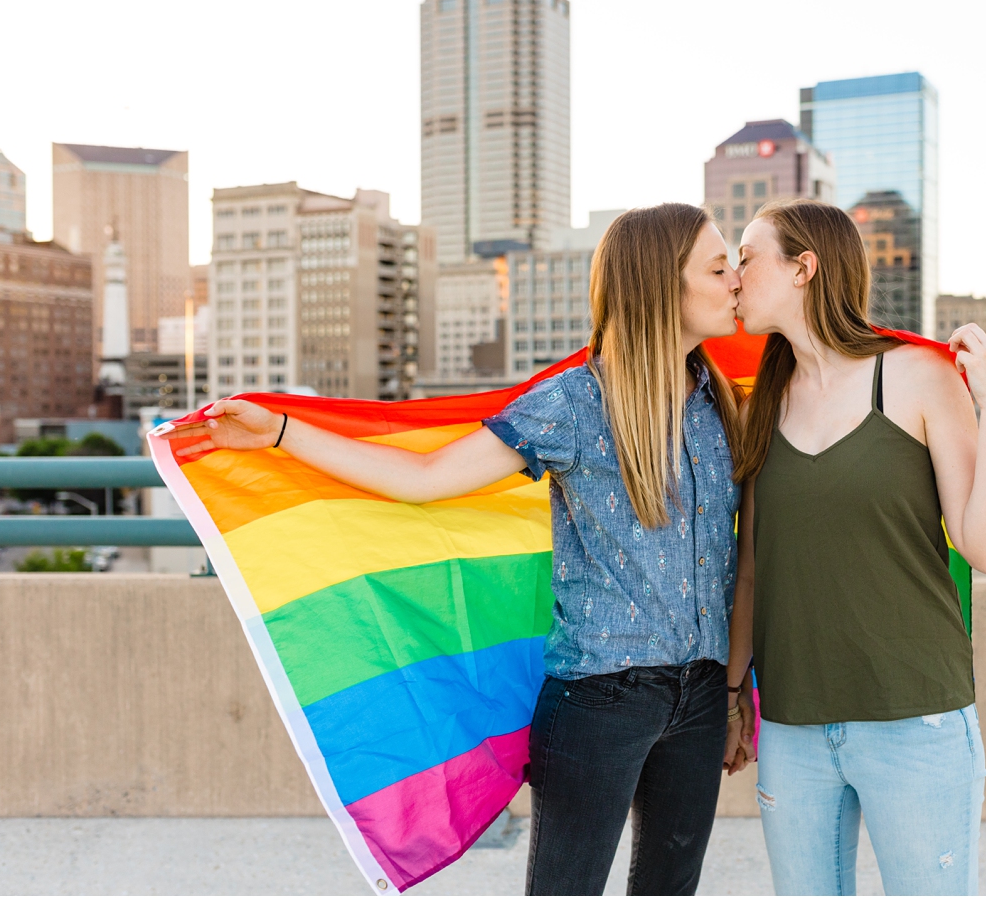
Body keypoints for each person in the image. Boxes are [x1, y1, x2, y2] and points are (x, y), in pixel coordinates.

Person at [172, 203, 748, 896]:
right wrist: (282, 432)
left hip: (701, 694)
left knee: (670, 890)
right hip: (601, 699)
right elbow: (425, 477)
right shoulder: (574, 402)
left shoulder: (723, 399)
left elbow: (739, 559)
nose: (736, 280)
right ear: (661, 285)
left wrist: (734, 688)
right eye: (719, 268)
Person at [722, 198, 986, 896]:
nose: (734, 277)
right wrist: (735, 691)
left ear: (804, 267)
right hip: (792, 728)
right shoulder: (762, 399)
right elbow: (751, 573)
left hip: (913, 719)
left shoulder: (914, 376)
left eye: (746, 257)